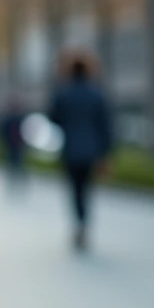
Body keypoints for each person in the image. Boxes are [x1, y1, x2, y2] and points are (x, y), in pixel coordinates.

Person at [49, 51, 113, 252]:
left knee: (74, 189)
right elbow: (105, 125)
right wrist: (105, 153)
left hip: (70, 150)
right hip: (92, 150)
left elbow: (54, 119)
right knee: (87, 188)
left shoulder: (63, 93)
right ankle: (85, 222)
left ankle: (78, 222)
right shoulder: (97, 94)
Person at [0, 92, 29, 192]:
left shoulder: (21, 118)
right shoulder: (8, 118)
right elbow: (3, 132)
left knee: (18, 163)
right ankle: (14, 181)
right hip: (11, 144)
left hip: (18, 144)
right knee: (13, 163)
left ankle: (19, 181)